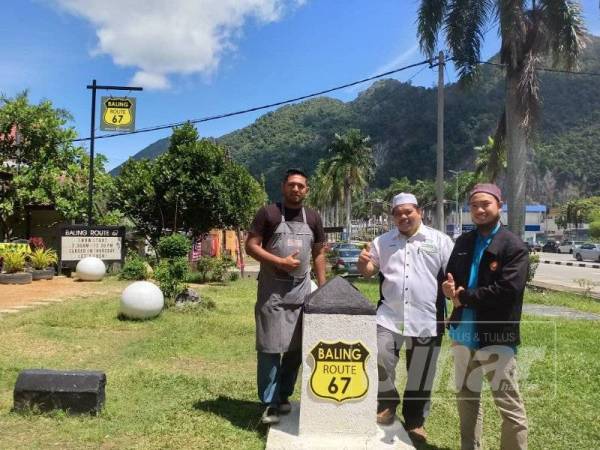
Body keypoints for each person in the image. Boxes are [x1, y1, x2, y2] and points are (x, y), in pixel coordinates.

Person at [357, 193, 453, 442]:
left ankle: (415, 421)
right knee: (380, 357)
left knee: (421, 372)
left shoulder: (440, 241)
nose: (403, 216)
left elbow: (453, 275)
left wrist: (453, 290)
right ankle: (386, 404)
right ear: (393, 216)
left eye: (408, 211)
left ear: (419, 212)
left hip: (427, 318)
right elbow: (369, 270)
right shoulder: (383, 241)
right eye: (398, 213)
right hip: (389, 316)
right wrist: (364, 265)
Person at [442, 183, 528, 450]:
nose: (479, 210)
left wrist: (464, 296)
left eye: (485, 204)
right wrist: (447, 289)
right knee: (467, 403)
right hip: (462, 336)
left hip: (496, 337)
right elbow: (451, 276)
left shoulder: (513, 246)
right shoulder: (464, 242)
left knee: (510, 408)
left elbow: (507, 290)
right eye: (474, 205)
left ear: (498, 206)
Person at [245, 168, 327, 425]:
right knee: (269, 348)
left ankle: (283, 396)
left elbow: (319, 253)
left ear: (307, 190)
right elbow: (251, 246)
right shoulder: (268, 213)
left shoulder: (313, 217)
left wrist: (323, 290)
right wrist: (279, 261)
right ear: (283, 187)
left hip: (302, 292)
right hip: (272, 292)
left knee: (296, 349)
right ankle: (268, 402)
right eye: (291, 184)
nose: (296, 189)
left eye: (301, 186)